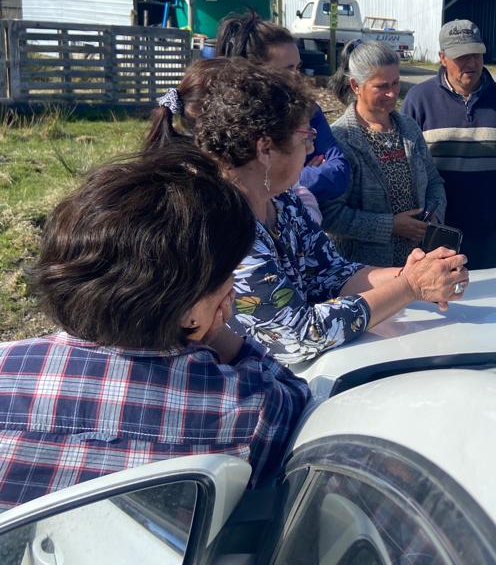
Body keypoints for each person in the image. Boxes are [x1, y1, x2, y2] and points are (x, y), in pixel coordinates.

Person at [0, 146, 311, 510]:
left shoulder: (6, 367)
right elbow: (295, 401)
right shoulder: (249, 408)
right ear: (190, 309)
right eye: (230, 276)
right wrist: (215, 332)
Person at [146, 58, 468, 365]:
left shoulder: (283, 202)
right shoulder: (224, 227)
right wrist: (409, 287)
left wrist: (413, 273)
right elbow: (299, 335)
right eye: (305, 137)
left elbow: (331, 272)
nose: (313, 149)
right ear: (265, 148)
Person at [402, 19, 496, 269]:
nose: (471, 63)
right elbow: (406, 168)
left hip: (489, 233)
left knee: (490, 301)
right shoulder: (419, 100)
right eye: (462, 56)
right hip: (435, 233)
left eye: (476, 54)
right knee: (439, 302)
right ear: (442, 57)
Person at [322, 41, 446, 266]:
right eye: (381, 86)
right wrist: (390, 225)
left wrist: (433, 215)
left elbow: (435, 182)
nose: (392, 93)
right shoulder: (340, 139)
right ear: (355, 85)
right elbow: (330, 215)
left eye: (396, 83)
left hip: (416, 264)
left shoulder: (408, 128)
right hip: (364, 273)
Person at [216, 9, 350, 215]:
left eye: (298, 67)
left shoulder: (310, 110)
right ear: (253, 72)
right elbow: (246, 183)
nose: (297, 77)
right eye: (288, 69)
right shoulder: (232, 123)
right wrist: (299, 176)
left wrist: (287, 177)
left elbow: (339, 173)